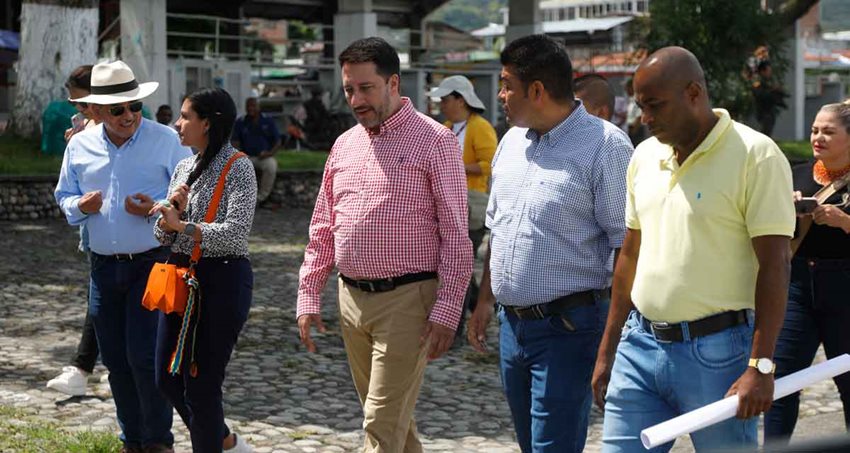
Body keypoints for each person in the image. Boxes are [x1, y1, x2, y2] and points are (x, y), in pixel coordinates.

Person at [591, 47, 796, 452]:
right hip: (640, 348)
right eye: (639, 106)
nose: (646, 118)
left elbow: (775, 266)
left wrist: (761, 365)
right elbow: (629, 256)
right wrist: (608, 348)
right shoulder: (645, 156)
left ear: (694, 93)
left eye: (655, 105)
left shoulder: (756, 155)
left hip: (718, 358)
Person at [297, 37, 473, 453]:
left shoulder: (434, 141)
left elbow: (455, 232)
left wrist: (449, 309)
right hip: (350, 299)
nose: (355, 99)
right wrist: (308, 293)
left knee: (379, 420)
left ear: (393, 83)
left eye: (366, 87)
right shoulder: (344, 144)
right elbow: (323, 225)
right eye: (348, 89)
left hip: (408, 300)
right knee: (394, 423)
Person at [466, 34, 633, 453]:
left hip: (569, 330)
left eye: (506, 84)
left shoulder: (606, 148)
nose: (500, 95)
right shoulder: (510, 144)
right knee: (531, 444)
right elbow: (497, 230)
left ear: (537, 90)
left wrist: (612, 343)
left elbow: (627, 249)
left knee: (552, 447)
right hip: (513, 327)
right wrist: (486, 300)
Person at [54, 60, 193, 453]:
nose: (129, 115)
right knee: (116, 362)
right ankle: (131, 440)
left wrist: (158, 207)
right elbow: (63, 198)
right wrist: (81, 205)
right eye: (118, 109)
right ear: (95, 110)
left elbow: (189, 197)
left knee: (146, 359)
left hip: (152, 262)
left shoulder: (165, 139)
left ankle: (158, 442)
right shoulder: (78, 146)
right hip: (102, 267)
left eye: (135, 106)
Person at [151, 87, 256, 453]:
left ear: (207, 123)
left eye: (185, 116)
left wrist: (183, 228)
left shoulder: (239, 166)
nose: (178, 124)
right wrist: (170, 218)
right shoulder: (183, 166)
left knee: (202, 384)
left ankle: (212, 443)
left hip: (222, 281)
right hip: (181, 279)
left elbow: (235, 234)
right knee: (167, 379)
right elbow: (161, 235)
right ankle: (222, 439)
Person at [764, 100, 850, 444]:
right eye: (815, 130)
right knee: (780, 380)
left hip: (844, 286)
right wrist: (787, 209)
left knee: (847, 380)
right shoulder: (794, 173)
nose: (818, 137)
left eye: (829, 132)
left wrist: (844, 221)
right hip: (797, 285)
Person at [47, 64, 105, 397]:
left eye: (83, 103)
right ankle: (90, 368)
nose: (80, 111)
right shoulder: (83, 135)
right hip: (96, 230)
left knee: (103, 302)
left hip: (135, 233)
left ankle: (85, 367)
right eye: (75, 105)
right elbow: (67, 191)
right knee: (101, 300)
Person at [428, 74, 498, 335]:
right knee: (458, 262)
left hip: (473, 202)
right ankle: (479, 305)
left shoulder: (479, 126)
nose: (442, 105)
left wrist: (456, 166)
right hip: (449, 201)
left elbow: (490, 164)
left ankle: (454, 327)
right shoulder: (446, 126)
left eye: (445, 100)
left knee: (459, 262)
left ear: (461, 100)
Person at [231, 97, 281, 205]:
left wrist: (269, 153)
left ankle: (261, 198)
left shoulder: (268, 121)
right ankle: (241, 198)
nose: (250, 108)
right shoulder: (240, 122)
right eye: (248, 106)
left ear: (259, 107)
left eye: (253, 106)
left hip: (263, 156)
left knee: (271, 165)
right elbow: (234, 141)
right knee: (236, 167)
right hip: (246, 156)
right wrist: (240, 153)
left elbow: (277, 141)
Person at [752, 60, 788, 138]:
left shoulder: (768, 82)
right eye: (768, 71)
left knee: (768, 132)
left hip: (770, 111)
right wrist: (773, 90)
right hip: (763, 112)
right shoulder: (758, 83)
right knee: (764, 134)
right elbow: (761, 95)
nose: (769, 73)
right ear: (762, 71)